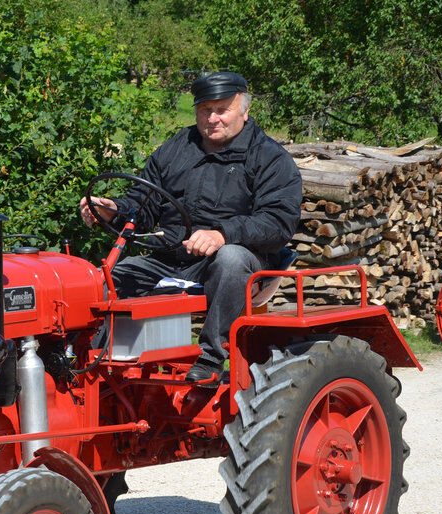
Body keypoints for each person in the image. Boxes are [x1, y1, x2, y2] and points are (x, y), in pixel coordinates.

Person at [79, 71, 303, 383]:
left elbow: (278, 223)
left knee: (231, 259)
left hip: (239, 265)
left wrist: (222, 234)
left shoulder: (270, 158)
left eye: (222, 109)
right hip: (171, 259)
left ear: (244, 110)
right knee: (109, 277)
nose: (213, 118)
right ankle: (91, 364)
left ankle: (211, 358)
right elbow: (143, 206)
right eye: (204, 110)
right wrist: (115, 210)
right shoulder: (175, 149)